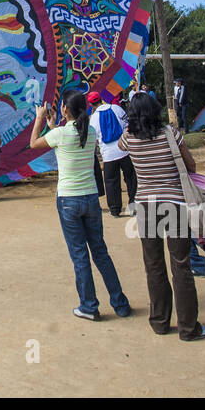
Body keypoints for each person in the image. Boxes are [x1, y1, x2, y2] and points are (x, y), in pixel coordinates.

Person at [29, 92, 131, 322]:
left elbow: (34, 143)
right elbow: (70, 134)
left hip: (68, 201)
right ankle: (120, 303)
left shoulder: (60, 134)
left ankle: (89, 305)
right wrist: (54, 124)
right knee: (101, 253)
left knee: (80, 256)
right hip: (90, 198)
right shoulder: (89, 130)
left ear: (64, 109)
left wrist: (39, 118)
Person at [119, 92, 205, 341]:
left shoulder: (128, 138)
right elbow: (191, 165)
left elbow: (119, 145)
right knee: (181, 266)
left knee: (154, 266)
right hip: (175, 205)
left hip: (146, 207)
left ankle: (159, 322)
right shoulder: (171, 134)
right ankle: (189, 328)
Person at [87, 90, 136, 217]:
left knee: (111, 182)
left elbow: (95, 137)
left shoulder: (94, 118)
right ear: (101, 99)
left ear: (91, 105)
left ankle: (115, 209)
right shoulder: (116, 108)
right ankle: (133, 205)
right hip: (125, 150)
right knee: (130, 178)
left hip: (108, 154)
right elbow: (127, 124)